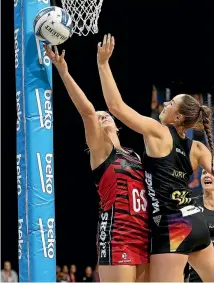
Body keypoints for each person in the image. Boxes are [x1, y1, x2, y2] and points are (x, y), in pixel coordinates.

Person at [97, 33, 214, 282]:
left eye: (170, 103)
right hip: (197, 222)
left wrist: (103, 65)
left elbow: (116, 107)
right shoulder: (198, 148)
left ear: (178, 117)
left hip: (173, 227)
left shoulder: (159, 131)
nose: (164, 105)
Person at [44, 45, 150, 282]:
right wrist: (63, 70)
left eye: (106, 115)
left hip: (144, 234)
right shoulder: (102, 151)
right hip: (118, 234)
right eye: (100, 117)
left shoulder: (135, 154)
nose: (102, 117)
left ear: (117, 123)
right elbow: (87, 112)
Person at [189, 169, 214, 282]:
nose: (207, 176)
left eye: (212, 173)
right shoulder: (191, 206)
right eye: (204, 173)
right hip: (198, 276)